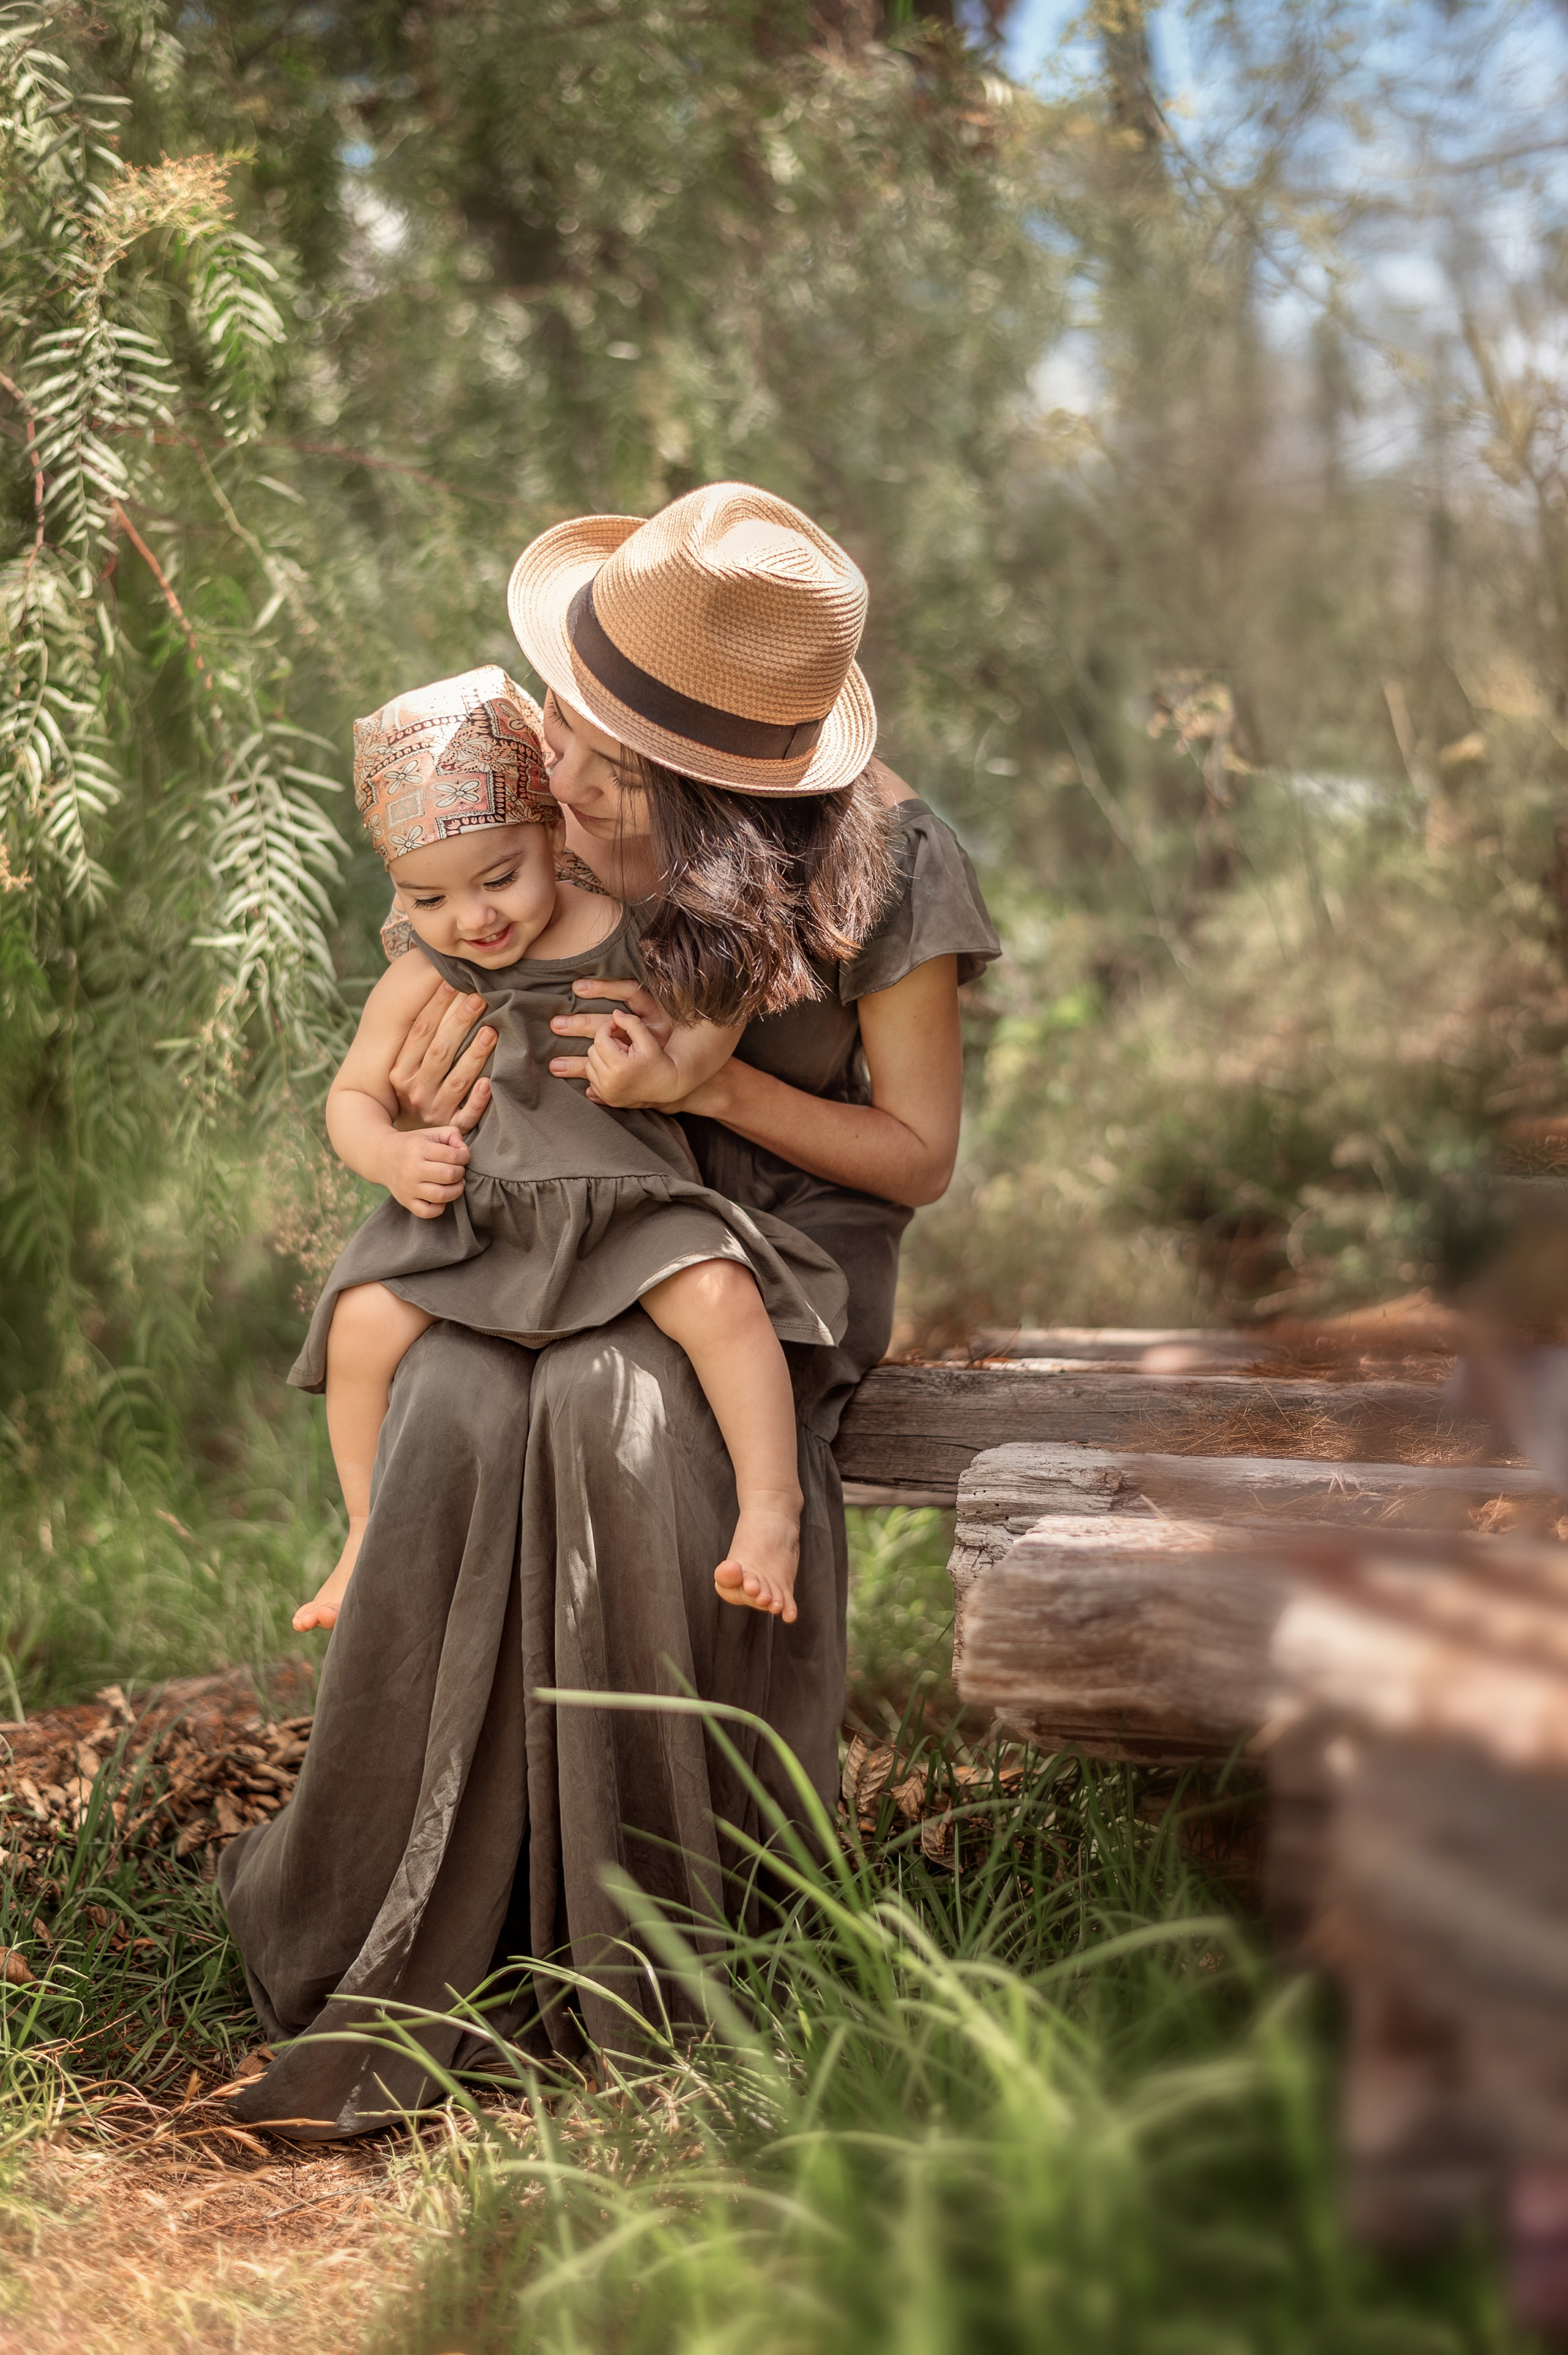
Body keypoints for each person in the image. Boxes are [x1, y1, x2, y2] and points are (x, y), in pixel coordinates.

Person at [221, 482, 999, 2138]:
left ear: (720, 792)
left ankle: (647, 1924)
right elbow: (440, 964)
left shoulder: (888, 863)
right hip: (547, 1212)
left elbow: (918, 1155)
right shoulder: (529, 805)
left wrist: (716, 1085)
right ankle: (432, 1895)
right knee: (450, 1390)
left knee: (612, 1405)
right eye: (563, 707)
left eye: (605, 752)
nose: (559, 760)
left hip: (766, 1248)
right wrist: (427, 1093)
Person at [290, 665, 847, 1636]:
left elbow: (724, 998)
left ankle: (771, 1511)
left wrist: (675, 1067)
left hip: (627, 1205)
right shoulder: (425, 971)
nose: (473, 918)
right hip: (483, 1215)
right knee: (361, 1323)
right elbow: (352, 1096)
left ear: (553, 836)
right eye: (428, 898)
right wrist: (389, 1157)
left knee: (721, 1297)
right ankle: (364, 1530)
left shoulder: (630, 939)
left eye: (499, 878)